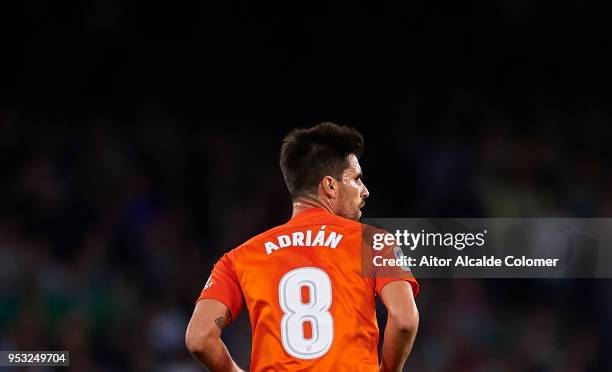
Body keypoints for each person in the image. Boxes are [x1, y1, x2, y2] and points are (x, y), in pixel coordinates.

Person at [185, 122, 419, 371]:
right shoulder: (374, 241)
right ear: (329, 186)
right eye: (357, 179)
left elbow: (199, 338)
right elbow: (405, 320)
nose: (365, 191)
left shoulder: (238, 258)